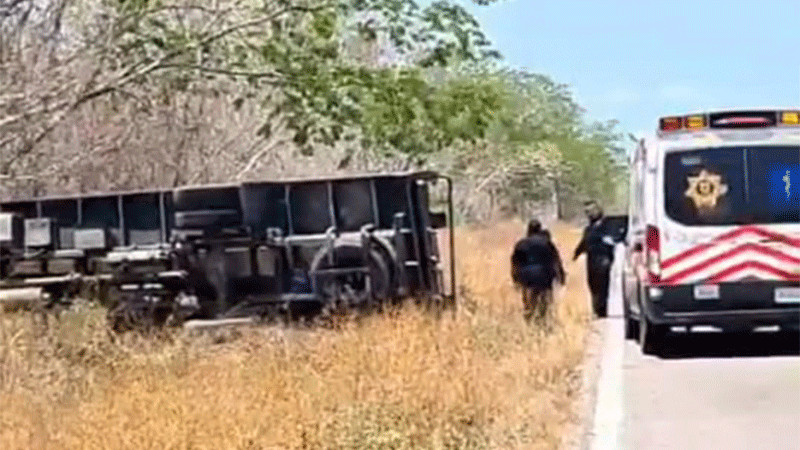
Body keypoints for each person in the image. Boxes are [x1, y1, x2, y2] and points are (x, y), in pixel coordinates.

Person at [511, 219, 566, 324]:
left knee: (529, 305)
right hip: (544, 277)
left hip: (527, 278)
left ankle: (531, 324)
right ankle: (543, 323)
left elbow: (515, 264)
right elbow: (556, 261)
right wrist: (561, 276)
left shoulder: (521, 244)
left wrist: (515, 279)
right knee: (545, 303)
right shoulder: (547, 243)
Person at [573, 200, 618, 318]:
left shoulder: (605, 227)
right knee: (593, 284)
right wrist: (576, 254)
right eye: (587, 212)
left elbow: (612, 241)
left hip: (602, 258)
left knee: (602, 285)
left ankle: (601, 310)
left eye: (591, 212)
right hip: (592, 260)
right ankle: (596, 309)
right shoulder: (589, 229)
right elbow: (584, 243)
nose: (589, 214)